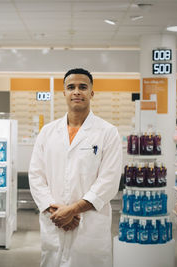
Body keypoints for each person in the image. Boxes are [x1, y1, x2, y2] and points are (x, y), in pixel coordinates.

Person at [29, 68, 122, 267]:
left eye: (83, 87)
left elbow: (109, 181)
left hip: (89, 225)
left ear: (92, 93)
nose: (77, 92)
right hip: (54, 220)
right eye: (71, 87)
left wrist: (72, 210)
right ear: (64, 93)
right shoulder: (48, 132)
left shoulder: (108, 132)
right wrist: (55, 210)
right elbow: (36, 176)